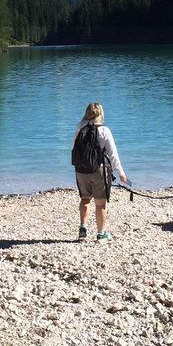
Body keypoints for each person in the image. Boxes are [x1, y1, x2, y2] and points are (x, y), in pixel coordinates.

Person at [71, 101, 127, 243]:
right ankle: (101, 234)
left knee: (85, 199)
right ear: (101, 114)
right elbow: (112, 153)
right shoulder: (104, 130)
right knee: (100, 204)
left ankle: (83, 227)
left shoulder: (79, 127)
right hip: (99, 170)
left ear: (86, 113)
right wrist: (120, 171)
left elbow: (73, 148)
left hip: (81, 169)